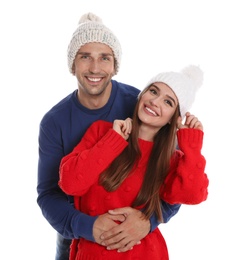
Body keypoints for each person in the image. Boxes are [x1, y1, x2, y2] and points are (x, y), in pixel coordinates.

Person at [36, 12, 181, 260]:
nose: (95, 68)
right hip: (76, 229)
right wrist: (88, 227)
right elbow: (49, 194)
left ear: (115, 65)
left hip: (134, 232)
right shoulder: (54, 122)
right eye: (85, 57)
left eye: (105, 58)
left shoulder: (141, 106)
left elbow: (172, 180)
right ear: (73, 64)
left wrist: (148, 221)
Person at [59, 64, 209, 259]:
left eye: (168, 102)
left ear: (175, 118)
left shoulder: (172, 160)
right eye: (153, 91)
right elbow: (70, 183)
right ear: (142, 94)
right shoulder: (102, 133)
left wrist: (192, 147)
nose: (155, 101)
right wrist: (113, 142)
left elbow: (192, 195)